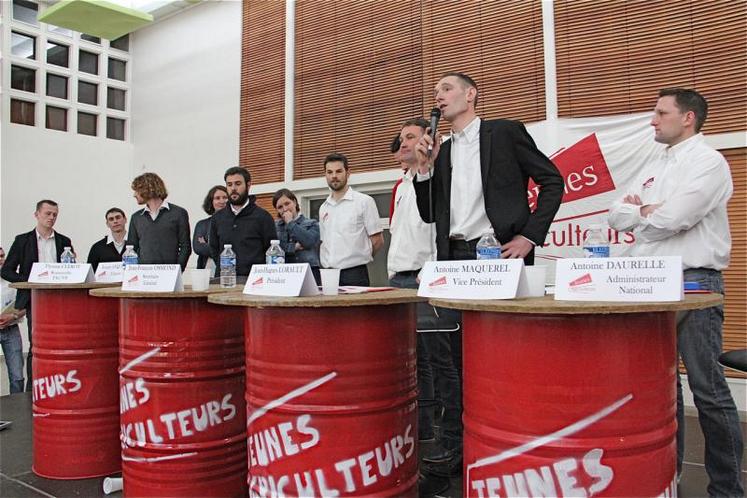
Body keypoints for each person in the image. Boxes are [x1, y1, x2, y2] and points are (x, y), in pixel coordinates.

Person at [412, 72, 564, 476]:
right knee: (455, 358)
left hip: (499, 255)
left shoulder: (505, 132)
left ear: (470, 94)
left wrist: (530, 237)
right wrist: (424, 169)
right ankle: (459, 444)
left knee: (505, 351)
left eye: (446, 88)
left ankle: (511, 439)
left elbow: (553, 180)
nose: (439, 97)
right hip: (455, 258)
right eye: (436, 92)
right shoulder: (441, 153)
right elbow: (430, 213)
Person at [608, 88, 743, 498]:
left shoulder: (709, 163)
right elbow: (617, 215)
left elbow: (676, 217)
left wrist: (642, 213)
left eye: (661, 113)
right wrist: (645, 213)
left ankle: (727, 488)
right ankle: (672, 479)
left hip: (694, 282)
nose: (652, 120)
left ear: (687, 118)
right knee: (665, 390)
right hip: (648, 280)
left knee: (707, 389)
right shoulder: (654, 165)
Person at [387, 119, 441, 445]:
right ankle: (414, 427)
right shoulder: (402, 185)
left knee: (431, 358)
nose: (404, 142)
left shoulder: (434, 178)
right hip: (399, 278)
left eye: (411, 137)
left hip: (423, 277)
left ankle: (431, 434)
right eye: (402, 138)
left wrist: (432, 270)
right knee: (407, 358)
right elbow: (400, 234)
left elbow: (439, 227)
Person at [1, 200, 73, 391]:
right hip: (34, 300)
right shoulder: (22, 240)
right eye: (47, 213)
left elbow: (72, 269)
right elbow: (6, 270)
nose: (51, 218)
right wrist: (28, 280)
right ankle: (34, 390)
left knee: (62, 343)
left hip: (59, 300)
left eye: (55, 214)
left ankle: (58, 384)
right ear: (37, 215)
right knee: (37, 345)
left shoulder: (64, 241)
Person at [319, 152, 384, 286]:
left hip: (355, 275)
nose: (334, 176)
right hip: (329, 275)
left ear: (348, 173)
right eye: (329, 172)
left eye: (338, 171)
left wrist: (359, 257)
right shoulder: (323, 208)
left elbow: (378, 241)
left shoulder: (364, 202)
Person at [209, 167, 276, 276]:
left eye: (238, 184)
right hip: (224, 281)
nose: (233, 188)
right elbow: (214, 249)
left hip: (254, 281)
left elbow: (271, 250)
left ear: (248, 185)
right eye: (229, 185)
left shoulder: (263, 217)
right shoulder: (217, 218)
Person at [127, 172, 191, 270]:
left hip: (170, 274)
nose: (134, 195)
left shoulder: (178, 213)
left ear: (147, 189)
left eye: (137, 190)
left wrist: (177, 270)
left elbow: (185, 246)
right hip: (144, 276)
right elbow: (131, 249)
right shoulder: (136, 217)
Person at [272, 188, 321, 284]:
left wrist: (290, 222)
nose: (285, 209)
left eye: (287, 204)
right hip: (284, 273)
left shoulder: (312, 223)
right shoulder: (275, 226)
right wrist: (294, 247)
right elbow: (273, 250)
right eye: (280, 207)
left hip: (309, 271)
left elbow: (309, 242)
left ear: (294, 202)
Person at [0, 246, 26, 394]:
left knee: (17, 376)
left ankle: (15, 410)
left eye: (2, 256)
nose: (1, 260)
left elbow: (25, 305)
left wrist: (14, 316)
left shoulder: (13, 280)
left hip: (11, 329)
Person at [193, 185, 228, 272]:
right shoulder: (202, 224)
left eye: (225, 197)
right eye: (217, 198)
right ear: (211, 201)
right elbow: (198, 248)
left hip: (229, 271)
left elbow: (237, 249)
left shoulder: (236, 223)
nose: (222, 201)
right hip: (207, 272)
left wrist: (207, 245)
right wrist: (224, 250)